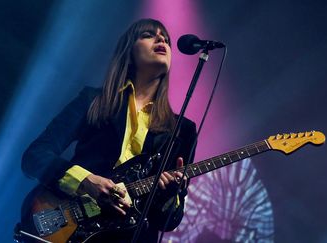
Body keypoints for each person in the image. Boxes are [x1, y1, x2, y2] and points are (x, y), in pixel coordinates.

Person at [21, 18, 197, 242]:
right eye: (148, 34)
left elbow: (168, 221)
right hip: (73, 228)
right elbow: (35, 156)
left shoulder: (182, 130)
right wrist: (85, 180)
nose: (161, 39)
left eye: (166, 39)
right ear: (128, 51)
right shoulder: (93, 100)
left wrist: (172, 194)